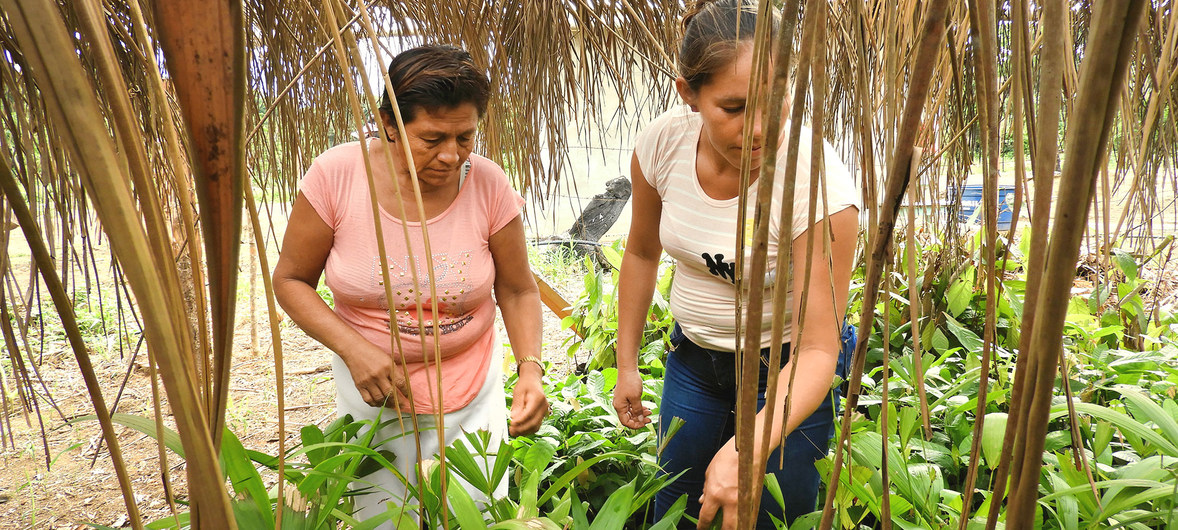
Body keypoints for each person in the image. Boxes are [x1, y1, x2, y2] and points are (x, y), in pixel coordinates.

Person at [272, 44, 549, 527]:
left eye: (466, 137)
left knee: (476, 515)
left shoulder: (488, 183)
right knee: (380, 516)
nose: (451, 155)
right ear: (388, 123)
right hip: (374, 393)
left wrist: (530, 370)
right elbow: (291, 280)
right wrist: (353, 349)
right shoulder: (337, 176)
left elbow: (519, 289)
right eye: (432, 138)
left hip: (471, 386)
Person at [610, 1, 861, 528]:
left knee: (775, 517)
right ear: (689, 95)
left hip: (791, 373)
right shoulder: (662, 143)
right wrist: (627, 362)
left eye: (778, 99)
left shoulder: (819, 187)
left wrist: (747, 450)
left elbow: (819, 348)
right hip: (694, 363)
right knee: (679, 511)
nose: (762, 129)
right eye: (735, 108)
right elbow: (640, 251)